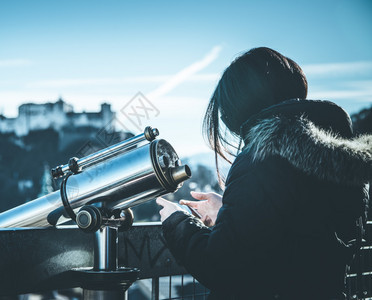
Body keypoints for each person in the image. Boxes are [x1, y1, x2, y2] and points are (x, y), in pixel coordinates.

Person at [157, 47, 371, 299]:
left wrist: (177, 222)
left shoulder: (262, 156)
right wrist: (227, 210)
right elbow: (297, 230)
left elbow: (224, 268)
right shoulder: (338, 158)